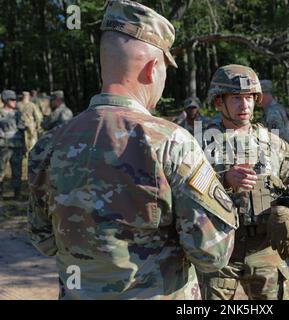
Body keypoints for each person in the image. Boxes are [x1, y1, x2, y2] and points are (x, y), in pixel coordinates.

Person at [27, 0, 236, 300]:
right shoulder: (171, 142)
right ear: (153, 69)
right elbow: (213, 253)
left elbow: (43, 240)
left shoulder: (48, 145)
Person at [198, 64, 289, 300]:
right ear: (219, 102)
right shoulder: (202, 144)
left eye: (249, 97)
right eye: (237, 98)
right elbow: (186, 190)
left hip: (265, 246)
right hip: (219, 247)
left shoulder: (272, 142)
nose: (245, 104)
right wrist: (225, 179)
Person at [0, 90, 27, 199]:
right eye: (12, 99)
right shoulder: (1, 113)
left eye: (15, 99)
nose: (15, 101)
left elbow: (22, 131)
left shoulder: (17, 113)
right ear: (6, 100)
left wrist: (24, 146)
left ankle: (17, 194)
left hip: (17, 146)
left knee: (17, 171)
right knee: (0, 170)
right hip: (3, 147)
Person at [259, 80, 289, 144]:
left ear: (263, 94)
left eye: (257, 95)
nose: (255, 98)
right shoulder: (279, 108)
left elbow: (274, 140)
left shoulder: (272, 113)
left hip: (278, 152)